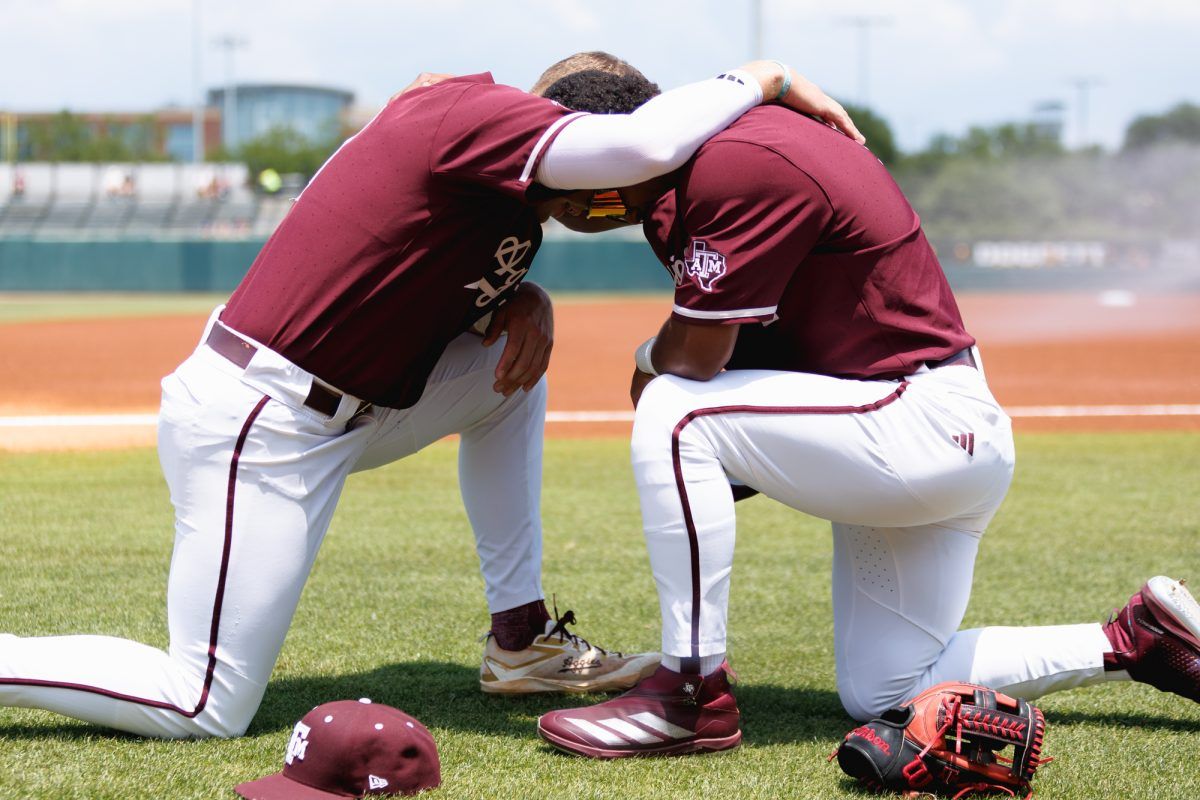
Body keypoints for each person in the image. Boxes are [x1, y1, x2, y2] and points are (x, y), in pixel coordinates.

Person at [0, 60, 861, 739]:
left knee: (513, 373)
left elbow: (438, 270)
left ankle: (520, 640)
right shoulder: (472, 115)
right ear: (576, 134)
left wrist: (523, 298)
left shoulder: (507, 191)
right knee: (201, 702)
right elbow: (635, 149)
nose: (628, 211)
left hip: (349, 411)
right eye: (627, 200)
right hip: (257, 421)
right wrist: (766, 77)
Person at [533, 65, 1200, 758]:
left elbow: (697, 360)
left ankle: (688, 694)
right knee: (886, 690)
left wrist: (647, 363)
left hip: (918, 421)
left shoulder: (735, 160)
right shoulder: (702, 168)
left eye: (567, 177)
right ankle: (1135, 641)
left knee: (676, 409)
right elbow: (749, 353)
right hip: (911, 426)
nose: (562, 204)